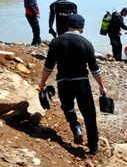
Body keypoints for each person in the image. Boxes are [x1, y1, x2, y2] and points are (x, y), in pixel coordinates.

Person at [38, 14, 107, 155]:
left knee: (68, 107)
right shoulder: (86, 43)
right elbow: (95, 69)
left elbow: (48, 67)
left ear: (67, 25)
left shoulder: (56, 42)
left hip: (63, 83)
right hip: (81, 82)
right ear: (82, 27)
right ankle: (93, 145)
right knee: (89, 113)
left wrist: (43, 82)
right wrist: (101, 85)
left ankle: (76, 127)